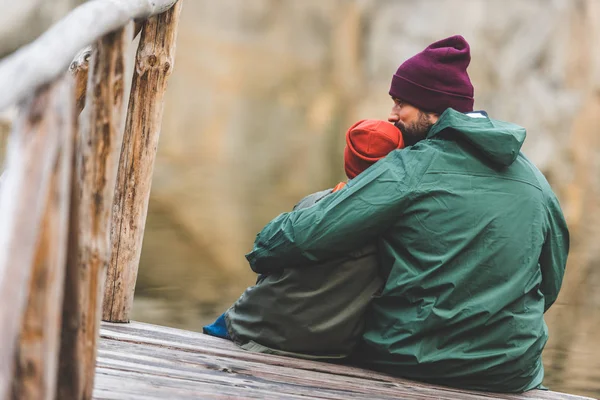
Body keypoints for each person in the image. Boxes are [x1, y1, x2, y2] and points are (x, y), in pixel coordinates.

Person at [245, 35, 569, 393]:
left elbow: (306, 236)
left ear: (435, 111)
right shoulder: (535, 181)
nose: (392, 115)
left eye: (401, 104)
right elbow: (550, 283)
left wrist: (262, 247)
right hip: (512, 370)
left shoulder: (410, 168)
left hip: (412, 358)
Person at [204, 119, 405, 359]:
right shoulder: (397, 225)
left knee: (215, 334)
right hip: (331, 346)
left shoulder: (314, 203)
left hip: (258, 327)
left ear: (347, 158)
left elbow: (265, 265)